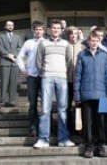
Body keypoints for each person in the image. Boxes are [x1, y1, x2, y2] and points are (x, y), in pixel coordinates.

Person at [34, 19, 75, 149]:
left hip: (62, 78)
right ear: (49, 29)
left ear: (61, 30)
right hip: (47, 77)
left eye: (58, 28)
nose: (56, 30)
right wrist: (45, 73)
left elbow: (69, 63)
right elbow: (38, 62)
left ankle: (63, 139)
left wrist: (63, 73)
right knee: (45, 109)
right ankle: (43, 139)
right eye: (53, 28)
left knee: (62, 110)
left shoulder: (66, 44)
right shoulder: (43, 43)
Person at [74, 32, 107, 158]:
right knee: (88, 122)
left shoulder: (105, 55)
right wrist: (77, 95)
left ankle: (101, 146)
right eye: (92, 40)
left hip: (103, 95)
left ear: (99, 41)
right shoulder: (82, 55)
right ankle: (89, 147)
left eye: (96, 40)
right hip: (86, 95)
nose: (94, 43)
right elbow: (77, 76)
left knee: (102, 122)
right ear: (88, 42)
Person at [17, 21, 45, 137]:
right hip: (32, 77)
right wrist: (23, 69)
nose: (38, 31)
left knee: (45, 104)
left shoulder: (47, 42)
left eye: (40, 29)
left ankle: (44, 128)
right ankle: (33, 127)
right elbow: (19, 57)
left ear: (43, 31)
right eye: (36, 29)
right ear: (33, 31)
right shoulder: (28, 43)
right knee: (32, 104)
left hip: (44, 77)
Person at [0, 20, 22, 108]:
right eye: (8, 25)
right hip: (5, 63)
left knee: (13, 83)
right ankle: (2, 101)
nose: (10, 26)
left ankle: (12, 101)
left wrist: (14, 55)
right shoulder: (1, 37)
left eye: (12, 25)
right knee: (4, 83)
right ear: (5, 27)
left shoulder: (17, 37)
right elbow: (0, 48)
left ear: (13, 27)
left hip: (14, 63)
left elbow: (19, 48)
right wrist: (8, 55)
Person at [66, 26, 85, 134]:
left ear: (78, 35)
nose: (74, 36)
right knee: (67, 106)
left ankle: (79, 128)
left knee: (78, 106)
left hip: (79, 82)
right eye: (71, 34)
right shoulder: (65, 46)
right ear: (69, 35)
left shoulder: (83, 47)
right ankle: (68, 128)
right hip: (67, 80)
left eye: (76, 33)